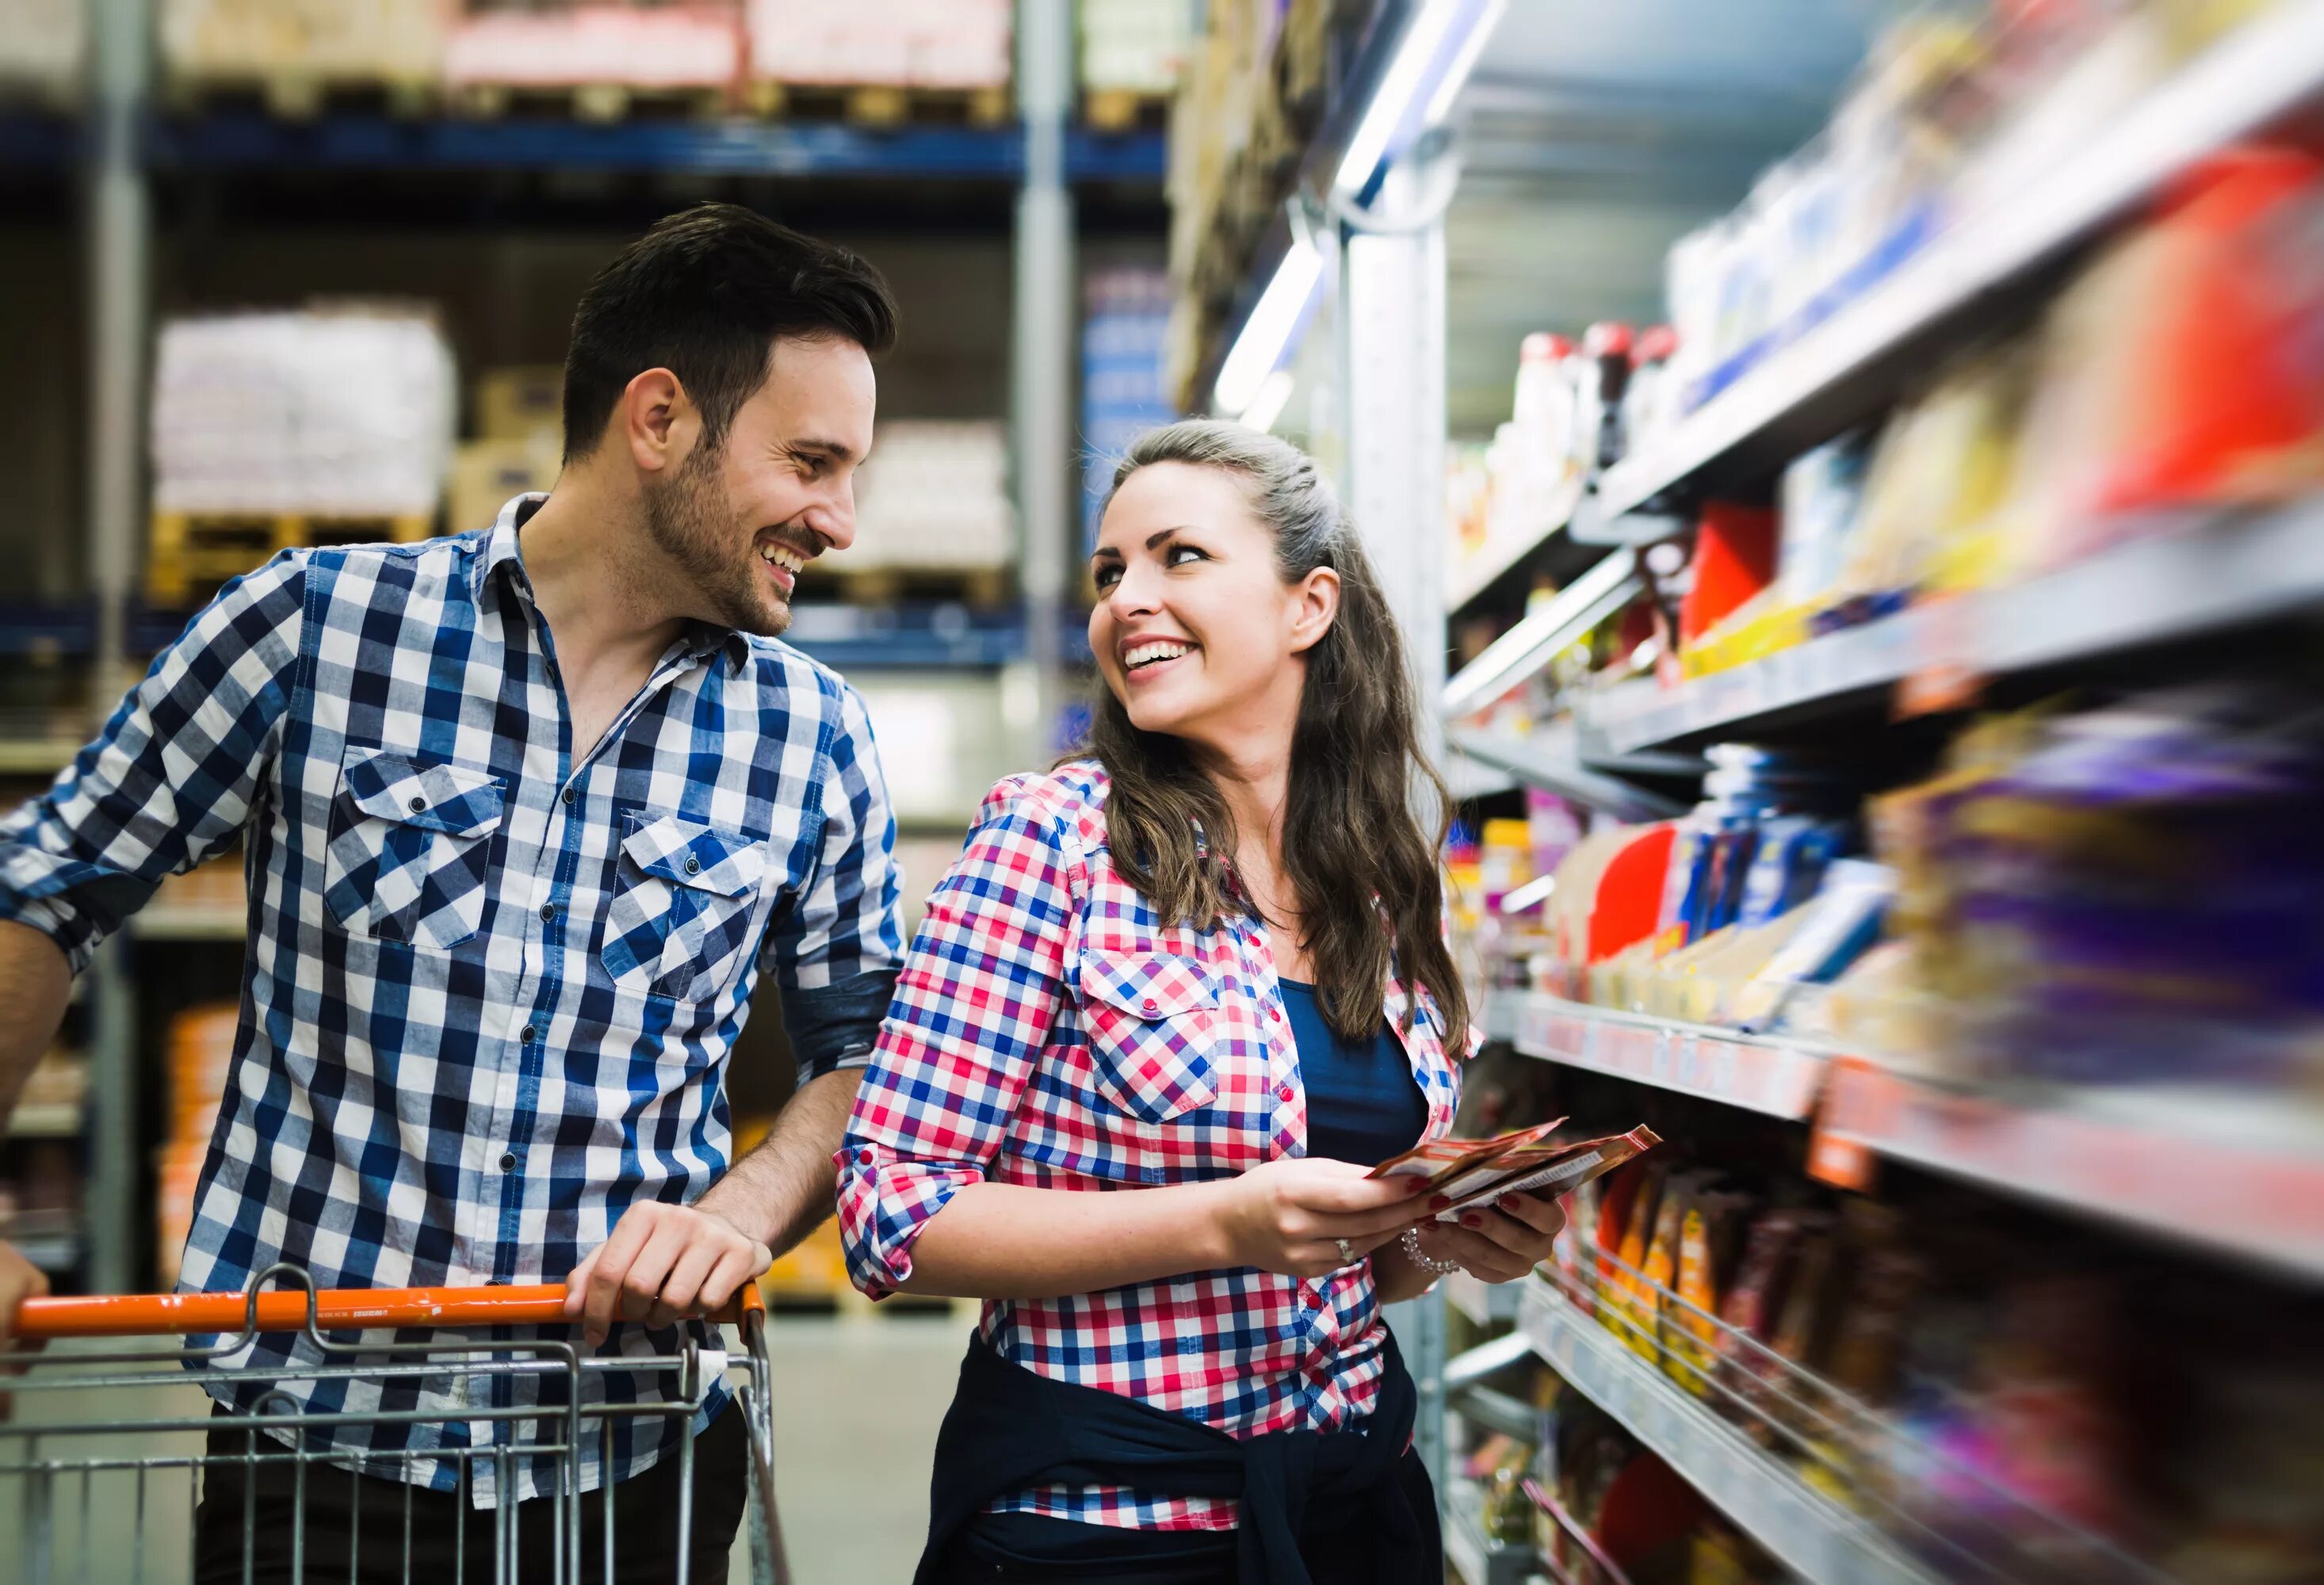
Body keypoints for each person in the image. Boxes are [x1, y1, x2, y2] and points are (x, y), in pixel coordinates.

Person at [0, 203, 906, 1583]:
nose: (839, 518)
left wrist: (738, 1216)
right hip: (321, 1453)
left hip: (630, 1459)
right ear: (658, 418)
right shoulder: (316, 627)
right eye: (810, 461)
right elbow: (44, 883)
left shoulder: (813, 735)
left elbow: (871, 1056)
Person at [839, 419, 1568, 1585]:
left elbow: (1346, 1259)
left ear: (1307, 607)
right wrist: (1219, 1222)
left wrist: (1444, 1240)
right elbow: (890, 1214)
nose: (1130, 597)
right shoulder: (1055, 844)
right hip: (1105, 1533)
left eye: (1180, 557)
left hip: (1353, 1507)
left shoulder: (1374, 886)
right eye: (1110, 571)